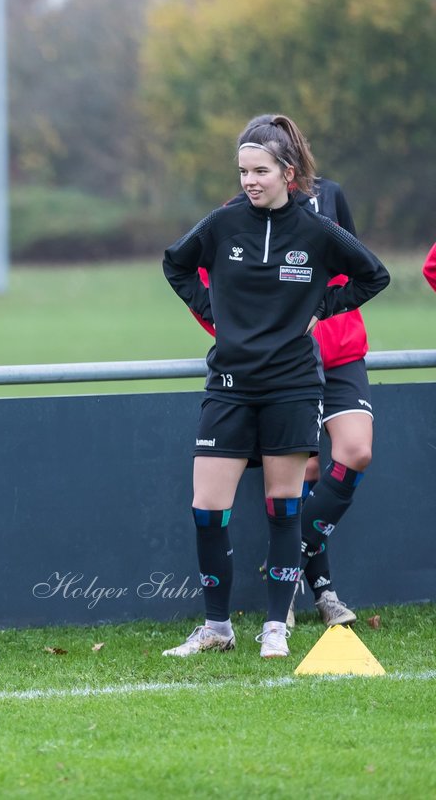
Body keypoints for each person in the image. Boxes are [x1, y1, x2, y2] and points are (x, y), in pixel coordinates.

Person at [161, 115, 389, 659]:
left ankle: (275, 629)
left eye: (259, 170)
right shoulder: (222, 224)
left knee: (283, 506)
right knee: (206, 508)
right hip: (230, 386)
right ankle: (217, 627)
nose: (249, 180)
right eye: (243, 171)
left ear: (288, 172)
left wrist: (320, 310)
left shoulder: (316, 227)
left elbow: (373, 275)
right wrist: (214, 313)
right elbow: (176, 264)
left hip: (291, 386)